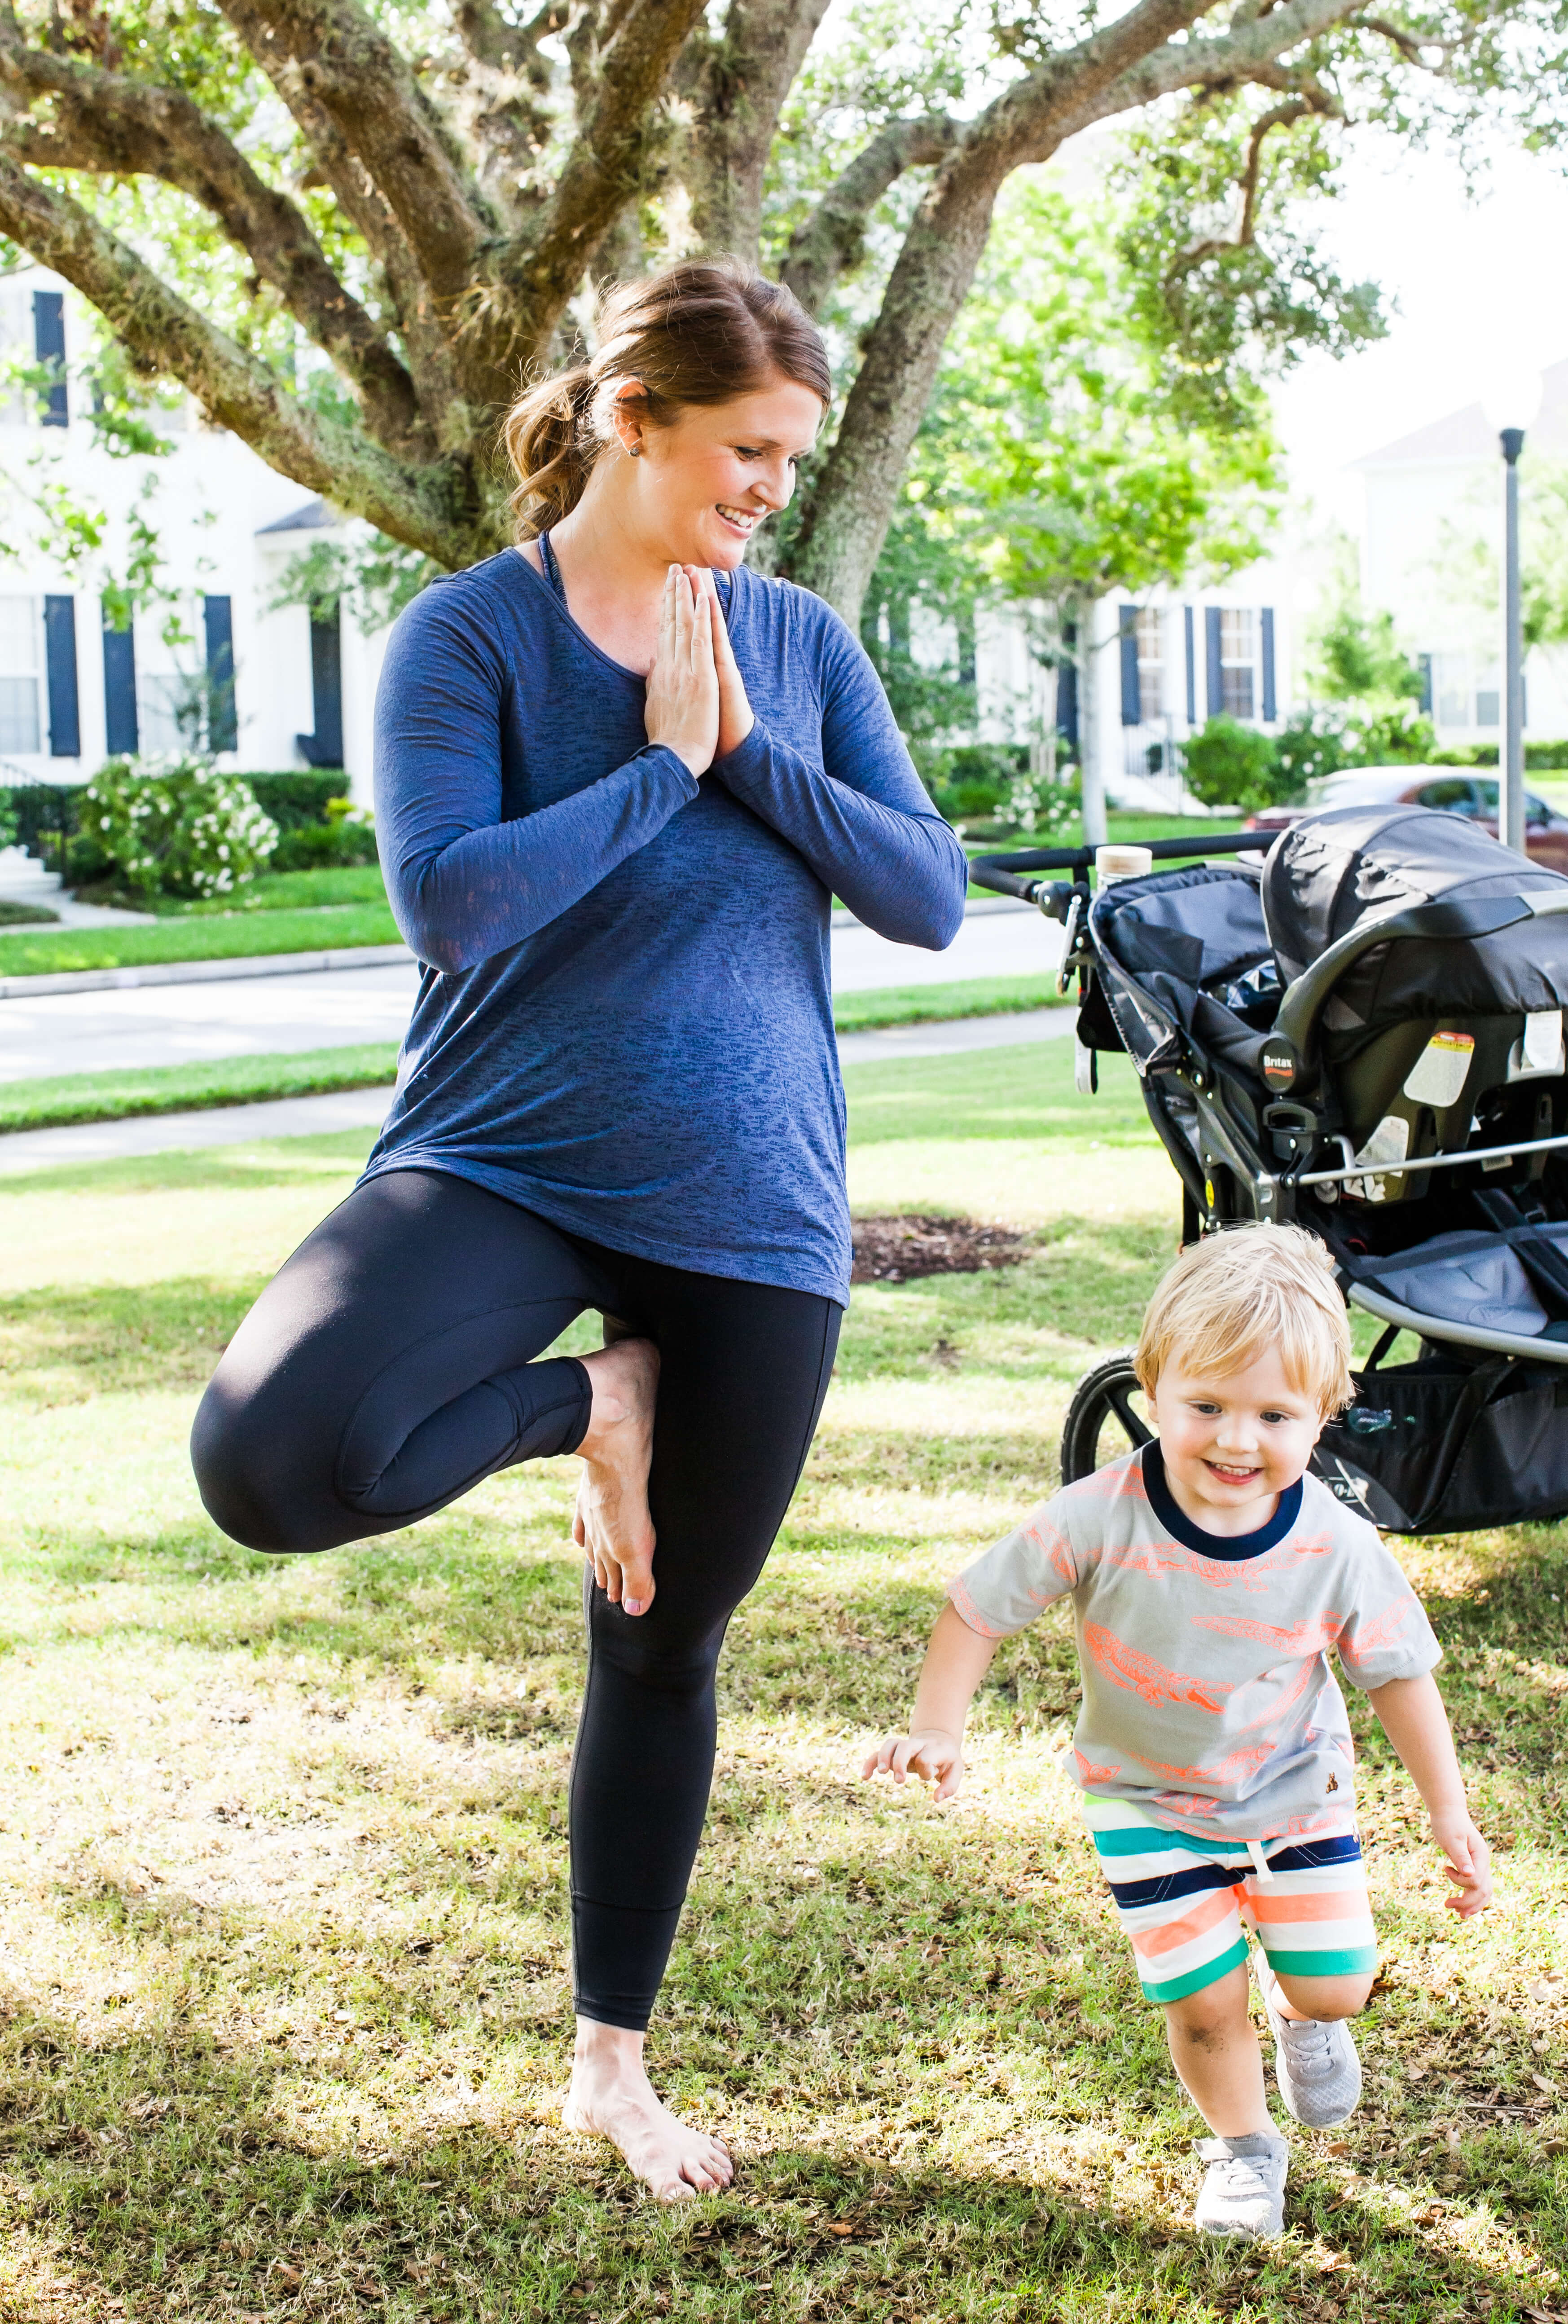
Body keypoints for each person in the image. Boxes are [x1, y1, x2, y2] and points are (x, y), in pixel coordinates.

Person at [191, 259, 967, 2200]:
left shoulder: (792, 640)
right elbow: (454, 904)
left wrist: (751, 750)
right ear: (636, 420)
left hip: (752, 1196)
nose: (771, 487)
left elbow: (930, 896)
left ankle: (609, 2056)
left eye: (789, 458)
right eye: (746, 451)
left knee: (659, 1633)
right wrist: (658, 771)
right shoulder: (466, 637)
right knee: (272, 1457)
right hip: (500, 1158)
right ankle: (589, 1396)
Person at [864, 1224, 1492, 2240]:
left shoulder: (1337, 1544)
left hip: (1296, 1796)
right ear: (1151, 1387)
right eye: (1204, 1406)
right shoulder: (1097, 1515)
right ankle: (1244, 2152)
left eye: (1273, 1414)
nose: (1236, 1441)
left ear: (1323, 1414)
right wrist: (939, 1726)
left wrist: (1447, 1811)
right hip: (1145, 1801)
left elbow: (1397, 1675)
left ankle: (1304, 2020)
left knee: (1333, 1984)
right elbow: (975, 1607)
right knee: (1201, 2004)